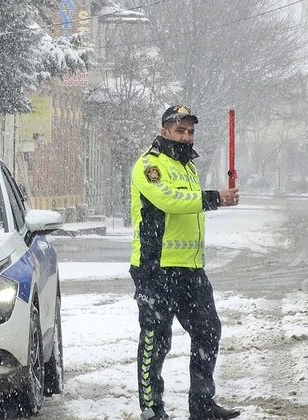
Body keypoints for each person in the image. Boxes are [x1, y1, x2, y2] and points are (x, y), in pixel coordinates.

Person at [129, 105, 241, 420]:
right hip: (156, 268)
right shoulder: (150, 164)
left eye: (190, 131)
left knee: (208, 331)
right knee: (156, 339)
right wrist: (214, 198)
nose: (186, 136)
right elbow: (169, 200)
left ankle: (202, 405)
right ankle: (152, 410)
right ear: (164, 131)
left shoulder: (188, 167)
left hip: (190, 269)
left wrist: (212, 199)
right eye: (179, 130)